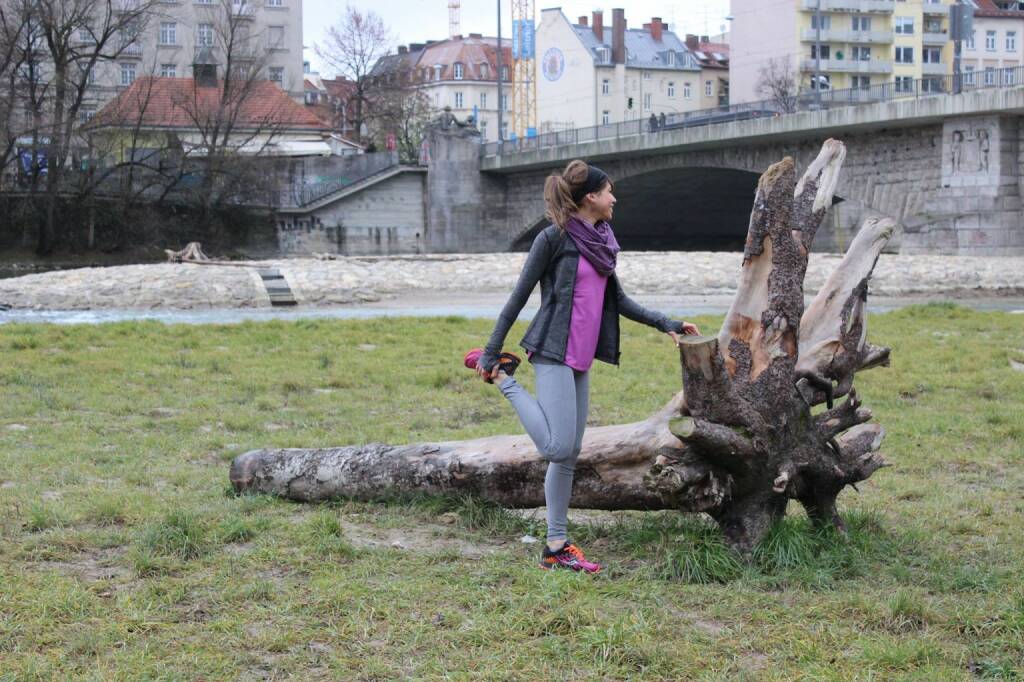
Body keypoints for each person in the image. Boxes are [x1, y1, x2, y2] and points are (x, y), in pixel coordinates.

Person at [462, 160, 699, 573]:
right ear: (591, 197)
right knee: (556, 448)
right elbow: (518, 297)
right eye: (608, 191)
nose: (614, 198)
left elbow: (617, 301)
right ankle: (503, 375)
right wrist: (490, 351)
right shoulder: (553, 239)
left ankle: (556, 546)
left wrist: (667, 323)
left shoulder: (602, 242)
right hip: (552, 351)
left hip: (581, 358)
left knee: (568, 455)